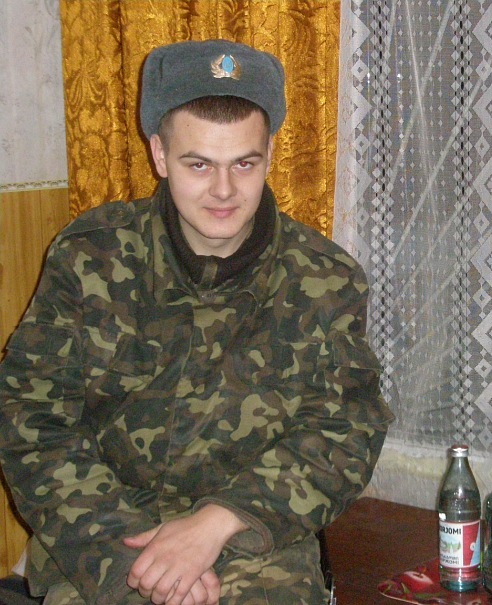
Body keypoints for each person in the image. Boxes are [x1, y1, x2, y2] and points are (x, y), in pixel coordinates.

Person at [0, 39, 393, 605]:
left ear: (270, 153)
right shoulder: (91, 259)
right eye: (199, 164)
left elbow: (345, 430)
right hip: (102, 534)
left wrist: (217, 522)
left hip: (254, 534)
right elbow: (31, 419)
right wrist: (135, 563)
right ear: (159, 155)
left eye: (245, 163)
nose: (224, 191)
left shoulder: (325, 279)